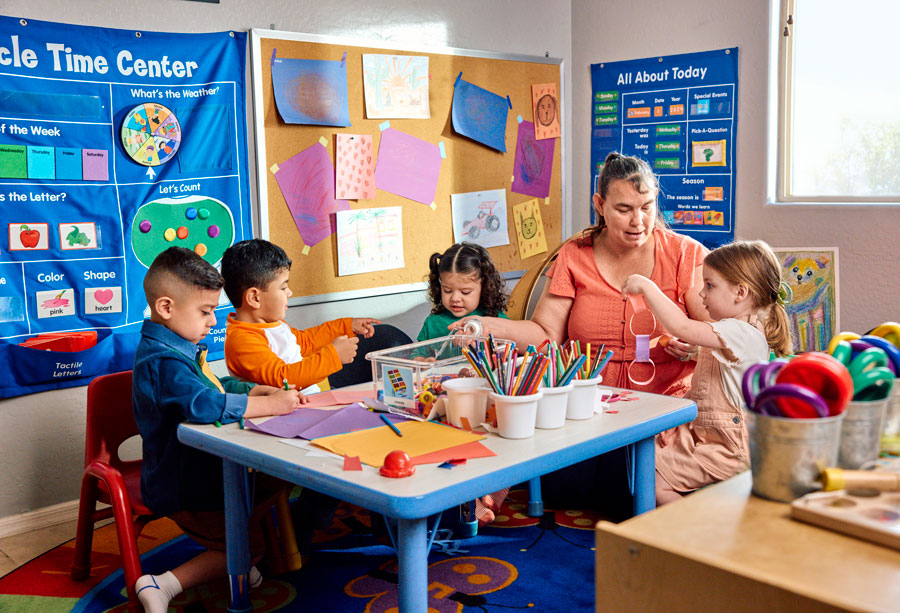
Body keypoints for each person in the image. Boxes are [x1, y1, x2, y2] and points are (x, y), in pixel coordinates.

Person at [451, 153, 708, 518]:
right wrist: (488, 326)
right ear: (599, 205)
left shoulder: (685, 254)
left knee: (624, 483)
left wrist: (695, 346)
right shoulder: (575, 255)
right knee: (530, 428)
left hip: (661, 409)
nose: (639, 221)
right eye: (624, 209)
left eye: (647, 207)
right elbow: (545, 335)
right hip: (588, 406)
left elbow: (721, 335)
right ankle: (479, 500)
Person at [132, 246, 306, 613]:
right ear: (166, 308)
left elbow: (210, 387)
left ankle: (237, 556)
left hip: (205, 471)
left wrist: (249, 390)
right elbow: (203, 404)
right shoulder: (163, 360)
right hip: (182, 484)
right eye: (205, 311)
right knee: (250, 547)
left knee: (277, 478)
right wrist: (268, 405)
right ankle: (162, 585)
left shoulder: (179, 347)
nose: (213, 321)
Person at [623, 239, 792, 504]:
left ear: (740, 292)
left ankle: (695, 533)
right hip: (703, 432)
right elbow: (722, 362)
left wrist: (647, 286)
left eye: (710, 286)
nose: (702, 294)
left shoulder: (743, 332)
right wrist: (694, 352)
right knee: (644, 457)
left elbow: (683, 327)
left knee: (653, 484)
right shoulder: (733, 329)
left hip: (726, 445)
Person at [418, 242, 510, 525]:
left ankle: (493, 493)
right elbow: (419, 359)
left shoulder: (495, 322)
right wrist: (425, 362)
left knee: (503, 448)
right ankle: (468, 501)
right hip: (445, 406)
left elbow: (506, 363)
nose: (455, 299)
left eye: (465, 292)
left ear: (484, 288)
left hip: (484, 407)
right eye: (447, 291)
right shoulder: (435, 323)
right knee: (446, 447)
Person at [222, 239, 381, 392]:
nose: (289, 293)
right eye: (283, 288)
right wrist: (333, 357)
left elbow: (307, 342)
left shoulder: (274, 325)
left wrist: (347, 326)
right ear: (255, 298)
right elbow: (283, 377)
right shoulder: (242, 341)